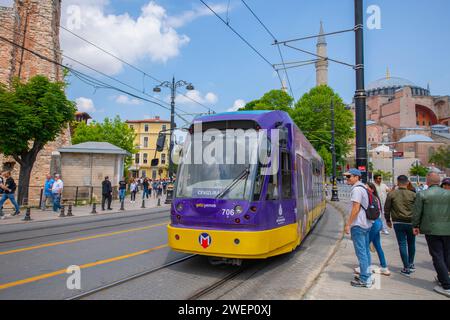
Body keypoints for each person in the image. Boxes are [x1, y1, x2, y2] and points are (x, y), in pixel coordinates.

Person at [412, 172, 450, 298]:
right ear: (439, 182)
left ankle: (446, 285)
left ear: (427, 182)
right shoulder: (448, 194)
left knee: (437, 256)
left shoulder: (422, 194)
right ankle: (444, 277)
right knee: (447, 255)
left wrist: (415, 226)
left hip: (431, 229)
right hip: (447, 229)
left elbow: (417, 212)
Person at [343, 168, 373, 288]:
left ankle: (364, 279)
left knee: (361, 253)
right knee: (365, 251)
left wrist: (348, 224)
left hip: (359, 225)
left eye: (349, 176)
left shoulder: (356, 190)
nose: (347, 179)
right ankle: (367, 275)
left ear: (356, 177)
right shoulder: (363, 188)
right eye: (346, 177)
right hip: (366, 224)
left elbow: (356, 208)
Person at [384, 175, 416, 277]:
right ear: (407, 183)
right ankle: (411, 264)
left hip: (398, 222)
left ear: (397, 183)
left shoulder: (392, 194)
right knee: (411, 243)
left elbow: (387, 208)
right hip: (411, 222)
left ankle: (406, 267)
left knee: (402, 244)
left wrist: (388, 220)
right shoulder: (413, 194)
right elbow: (418, 209)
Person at [366, 182, 390, 276]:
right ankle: (384, 267)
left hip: (374, 223)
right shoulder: (376, 198)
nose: (365, 190)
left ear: (372, 189)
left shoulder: (370, 198)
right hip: (378, 222)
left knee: (364, 245)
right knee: (377, 245)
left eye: (367, 188)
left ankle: (365, 267)